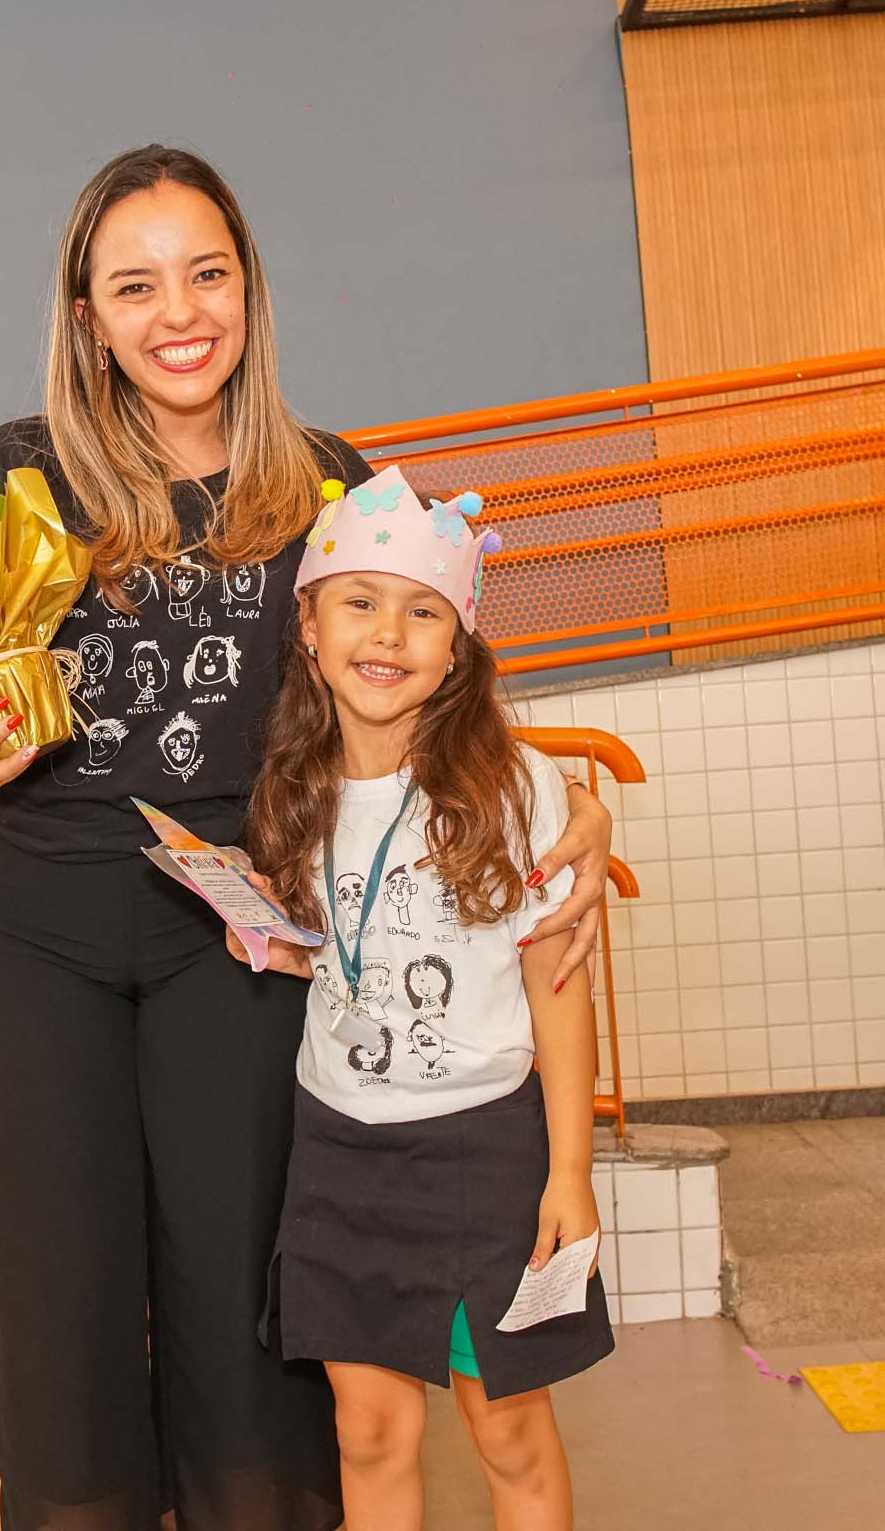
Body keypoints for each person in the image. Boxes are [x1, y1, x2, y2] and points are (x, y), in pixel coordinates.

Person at [0, 144, 617, 1529]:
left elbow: (430, 689)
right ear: (88, 317)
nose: (179, 312)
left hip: (244, 941)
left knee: (243, 1288)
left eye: (207, 273)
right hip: (36, 932)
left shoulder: (330, 484)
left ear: (249, 289)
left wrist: (577, 803)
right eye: (136, 285)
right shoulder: (22, 468)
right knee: (60, 1292)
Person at [244, 468, 611, 1529]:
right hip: (339, 1148)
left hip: (483, 1154)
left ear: (457, 648)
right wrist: (264, 935)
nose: (388, 634)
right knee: (367, 1429)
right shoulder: (289, 791)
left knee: (507, 1426)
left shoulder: (515, 787)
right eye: (359, 602)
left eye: (423, 612)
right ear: (309, 625)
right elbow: (323, 950)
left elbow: (558, 983)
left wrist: (571, 1172)